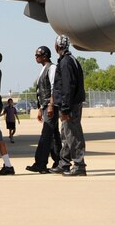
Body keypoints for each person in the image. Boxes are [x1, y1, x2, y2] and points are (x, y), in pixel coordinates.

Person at [53, 35, 86, 177]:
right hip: (71, 103)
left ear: (57, 46)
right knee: (65, 134)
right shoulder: (70, 60)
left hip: (70, 105)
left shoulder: (66, 62)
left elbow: (68, 86)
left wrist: (65, 108)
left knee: (73, 134)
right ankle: (64, 163)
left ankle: (79, 165)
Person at [27, 46, 61, 174]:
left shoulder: (52, 68)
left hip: (50, 106)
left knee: (46, 135)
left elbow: (54, 88)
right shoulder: (43, 69)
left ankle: (40, 164)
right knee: (54, 135)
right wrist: (40, 109)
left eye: (38, 55)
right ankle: (59, 161)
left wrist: (51, 105)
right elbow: (41, 91)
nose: (36, 57)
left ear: (45, 56)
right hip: (45, 106)